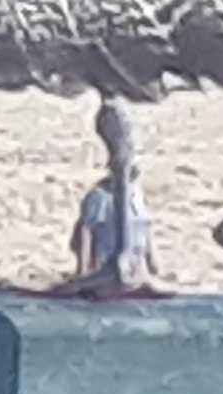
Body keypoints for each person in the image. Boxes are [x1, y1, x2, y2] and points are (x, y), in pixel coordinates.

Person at [52, 100, 163, 297]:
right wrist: (84, 271)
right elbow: (86, 232)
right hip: (107, 265)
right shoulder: (99, 197)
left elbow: (145, 226)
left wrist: (153, 259)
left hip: (137, 268)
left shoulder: (136, 193)